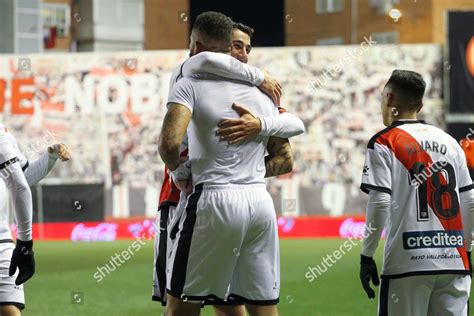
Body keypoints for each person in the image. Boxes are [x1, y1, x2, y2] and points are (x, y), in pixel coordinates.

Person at [152, 19, 304, 315]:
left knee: (180, 305)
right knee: (244, 305)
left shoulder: (189, 83)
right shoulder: (261, 92)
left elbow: (168, 145)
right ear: (223, 47)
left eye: (248, 49)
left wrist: (183, 172)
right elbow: (291, 138)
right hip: (256, 203)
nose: (243, 55)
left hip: (203, 198)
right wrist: (259, 83)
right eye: (237, 46)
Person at [359, 69, 474, 315]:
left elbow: (380, 202)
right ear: (420, 105)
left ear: (389, 99)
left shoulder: (383, 142)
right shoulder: (450, 142)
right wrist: (467, 248)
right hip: (453, 260)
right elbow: (470, 200)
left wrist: (366, 255)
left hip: (407, 263)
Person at [0, 130, 70, 316]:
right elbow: (19, 185)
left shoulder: (3, 133)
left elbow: (22, 178)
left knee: (9, 309)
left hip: (2, 242)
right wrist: (25, 244)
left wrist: (50, 157)